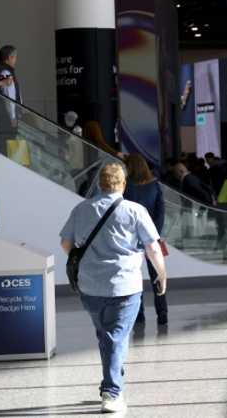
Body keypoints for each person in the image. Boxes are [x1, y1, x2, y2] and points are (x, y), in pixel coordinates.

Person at [59, 163, 166, 413]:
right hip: (125, 286)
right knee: (115, 338)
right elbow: (152, 247)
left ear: (100, 184)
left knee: (107, 335)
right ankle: (111, 392)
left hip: (90, 287)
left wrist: (85, 258)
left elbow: (66, 244)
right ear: (123, 184)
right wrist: (162, 274)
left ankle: (113, 381)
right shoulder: (135, 210)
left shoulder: (82, 208)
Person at [123, 154, 168, 327]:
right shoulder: (154, 185)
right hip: (152, 239)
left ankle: (138, 314)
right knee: (158, 275)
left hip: (131, 239)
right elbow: (161, 212)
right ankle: (162, 312)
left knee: (135, 277)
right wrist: (153, 235)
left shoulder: (126, 187)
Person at [0, 45, 22, 154]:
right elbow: (8, 97)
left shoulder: (1, 70)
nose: (15, 61)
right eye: (15, 58)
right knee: (6, 148)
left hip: (2, 116)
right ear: (9, 57)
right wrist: (13, 117)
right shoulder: (5, 73)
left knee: (3, 146)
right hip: (6, 118)